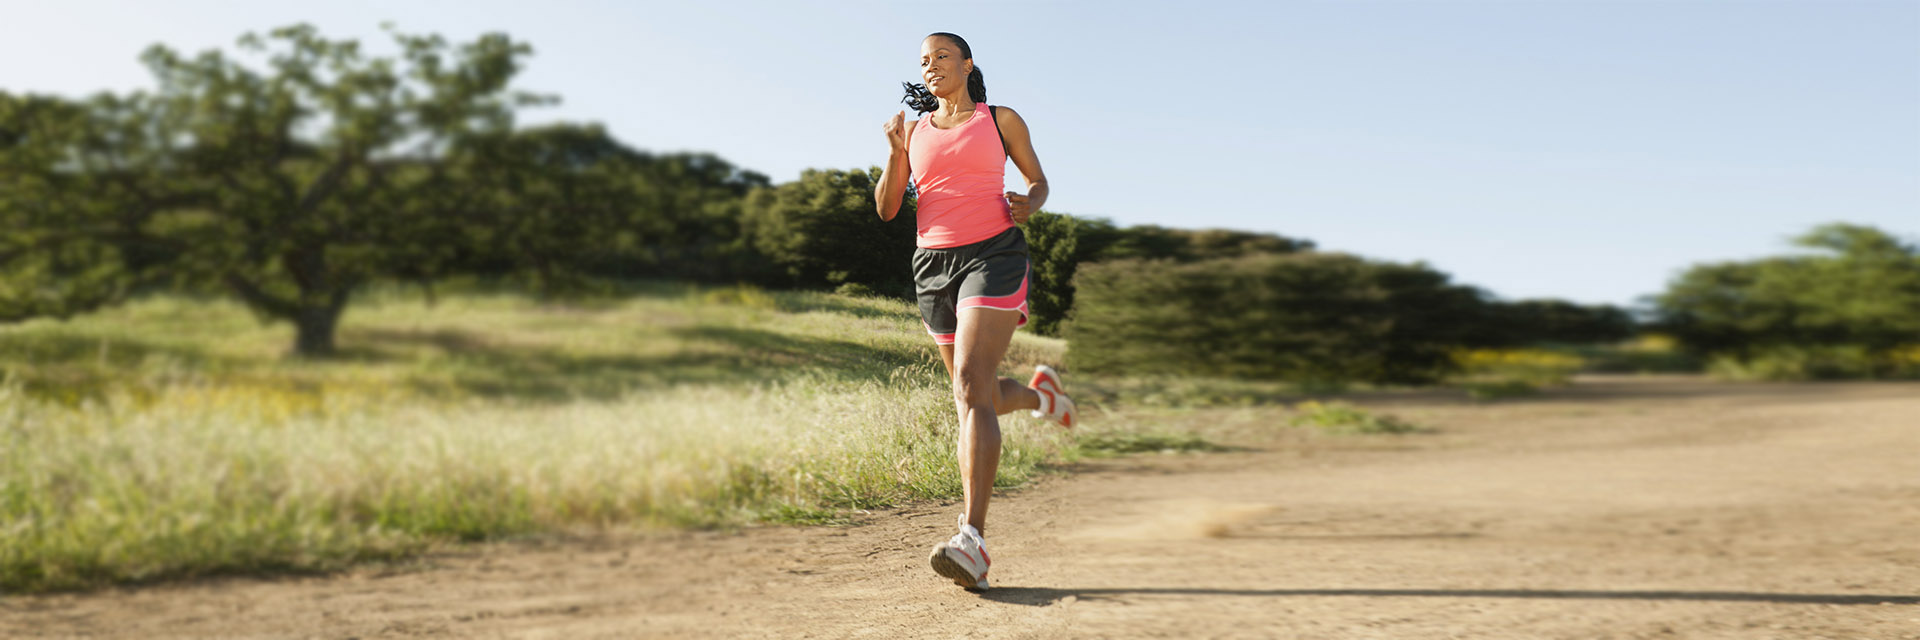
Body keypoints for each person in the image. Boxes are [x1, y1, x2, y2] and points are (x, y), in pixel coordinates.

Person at [874, 32, 1076, 592]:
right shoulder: (911, 132)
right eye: (923, 60)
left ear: (966, 64)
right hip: (931, 264)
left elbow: (1038, 182)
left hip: (995, 252)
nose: (930, 66)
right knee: (978, 396)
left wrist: (1030, 202)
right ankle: (1042, 395)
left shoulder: (1000, 119)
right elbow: (888, 208)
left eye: (941, 56)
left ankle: (973, 540)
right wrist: (894, 153)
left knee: (968, 385)